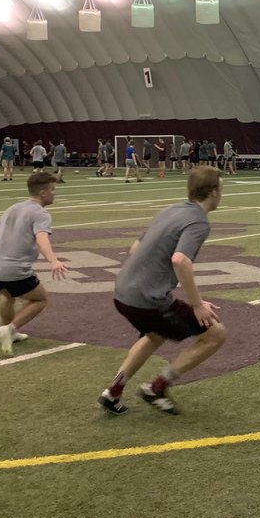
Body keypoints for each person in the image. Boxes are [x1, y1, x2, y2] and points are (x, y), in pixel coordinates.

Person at [98, 166, 228, 415]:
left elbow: (135, 247)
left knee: (155, 333)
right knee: (215, 334)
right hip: (145, 298)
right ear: (213, 192)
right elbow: (180, 260)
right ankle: (157, 388)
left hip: (122, 291)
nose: (222, 195)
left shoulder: (171, 209)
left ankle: (113, 392)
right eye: (221, 189)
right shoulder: (199, 221)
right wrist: (198, 304)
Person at [0, 171, 68, 355]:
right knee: (41, 299)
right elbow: (42, 238)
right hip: (13, 270)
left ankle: (7, 331)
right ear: (43, 193)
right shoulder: (41, 213)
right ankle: (10, 328)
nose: (55, 193)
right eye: (53, 189)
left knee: (8, 296)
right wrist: (53, 260)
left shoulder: (13, 207)